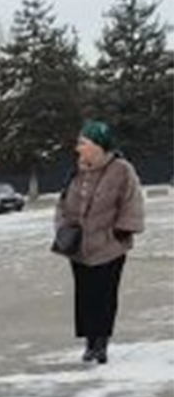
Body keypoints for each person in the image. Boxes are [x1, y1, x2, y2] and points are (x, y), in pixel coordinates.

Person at [54, 120, 144, 366]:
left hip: (110, 244)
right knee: (85, 295)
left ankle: (101, 343)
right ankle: (89, 342)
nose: (78, 148)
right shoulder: (77, 171)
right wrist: (62, 227)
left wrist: (123, 229)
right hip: (79, 245)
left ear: (97, 145)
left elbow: (132, 201)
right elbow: (63, 202)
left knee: (104, 295)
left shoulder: (121, 169)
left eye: (83, 143)